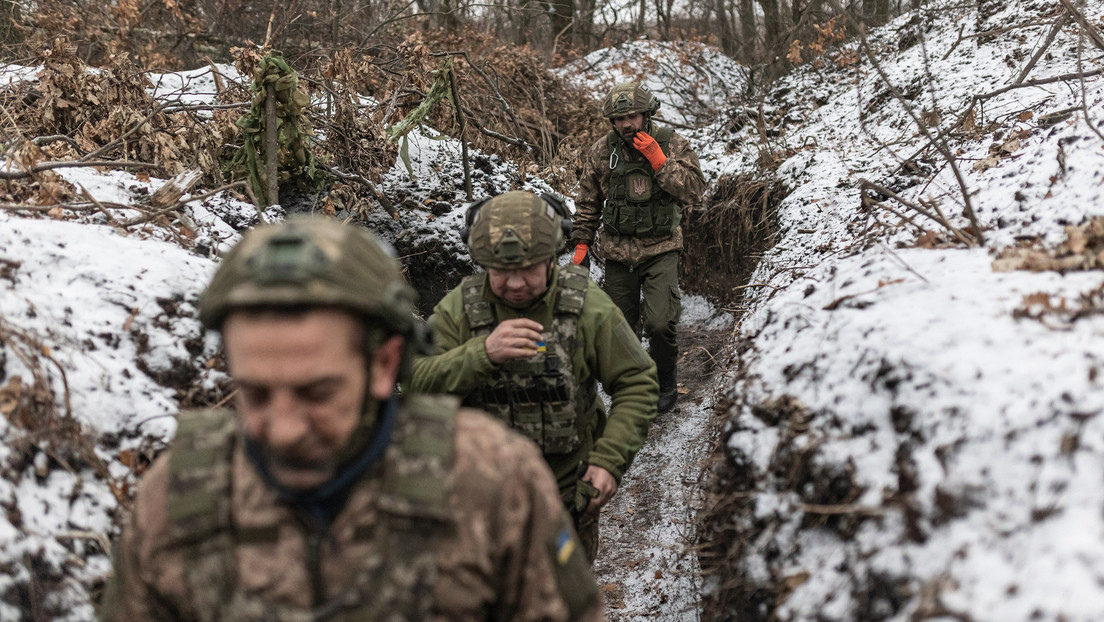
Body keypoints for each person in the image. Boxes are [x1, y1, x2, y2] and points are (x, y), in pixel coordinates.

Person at [98, 217, 603, 621]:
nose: (285, 427)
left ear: (383, 365)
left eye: (317, 393)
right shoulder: (181, 498)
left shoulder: (490, 481)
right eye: (254, 393)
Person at [410, 190, 658, 563]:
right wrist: (482, 353)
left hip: (564, 498)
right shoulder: (460, 309)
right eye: (501, 272)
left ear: (551, 261)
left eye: (528, 269)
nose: (514, 283)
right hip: (477, 499)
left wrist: (608, 461)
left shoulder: (587, 307)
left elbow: (637, 382)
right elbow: (415, 380)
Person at [568, 81, 707, 414]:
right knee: (620, 328)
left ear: (646, 114)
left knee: (660, 322)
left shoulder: (671, 143)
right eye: (618, 119)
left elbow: (695, 191)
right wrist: (581, 246)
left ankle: (666, 380)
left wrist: (660, 162)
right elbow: (588, 201)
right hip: (617, 252)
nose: (625, 124)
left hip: (661, 248)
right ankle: (631, 388)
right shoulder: (602, 150)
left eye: (631, 116)